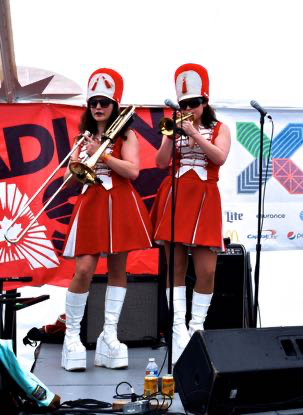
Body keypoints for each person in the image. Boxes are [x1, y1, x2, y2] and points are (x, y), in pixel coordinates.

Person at [61, 68, 153, 371]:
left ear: (114, 105)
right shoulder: (83, 137)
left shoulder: (127, 135)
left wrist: (101, 155)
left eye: (104, 102)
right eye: (93, 102)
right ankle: (71, 337)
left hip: (119, 202)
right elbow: (69, 181)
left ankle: (108, 335)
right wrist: (77, 160)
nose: (98, 107)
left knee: (117, 268)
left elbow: (133, 171)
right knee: (84, 269)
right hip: (91, 202)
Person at [150, 63, 231, 364]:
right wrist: (171, 137)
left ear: (205, 102)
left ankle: (197, 326)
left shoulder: (220, 128)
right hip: (177, 195)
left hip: (206, 197)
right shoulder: (174, 128)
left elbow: (219, 157)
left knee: (207, 270)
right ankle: (177, 329)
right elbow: (160, 163)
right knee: (176, 268)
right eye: (184, 104)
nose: (188, 109)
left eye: (194, 103)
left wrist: (195, 133)